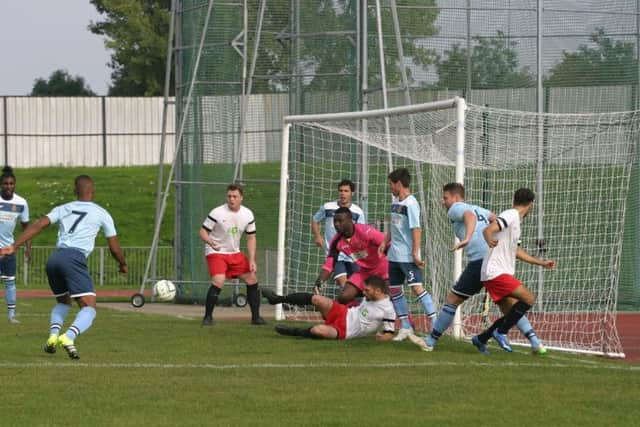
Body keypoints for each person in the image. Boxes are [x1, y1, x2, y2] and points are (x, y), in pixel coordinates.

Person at [408, 183, 546, 354]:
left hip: (482, 262)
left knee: (452, 300)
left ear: (456, 197)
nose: (444, 202)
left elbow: (469, 216)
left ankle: (430, 341)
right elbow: (495, 220)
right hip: (495, 262)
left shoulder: (456, 208)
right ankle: (535, 342)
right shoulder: (481, 209)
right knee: (509, 305)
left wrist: (467, 237)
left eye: (446, 198)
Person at [0, 175, 127, 359]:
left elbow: (39, 224)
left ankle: (52, 337)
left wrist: (15, 246)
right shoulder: (101, 213)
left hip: (54, 259)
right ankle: (68, 337)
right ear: (93, 191)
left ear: (75, 191)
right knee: (89, 306)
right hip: (74, 258)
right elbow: (114, 248)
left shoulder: (64, 208)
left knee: (63, 301)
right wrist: (122, 264)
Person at [470, 188, 556, 354]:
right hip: (495, 272)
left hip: (494, 273)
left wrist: (541, 263)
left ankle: (481, 339)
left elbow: (516, 251)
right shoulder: (511, 215)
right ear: (531, 204)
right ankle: (500, 332)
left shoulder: (515, 221)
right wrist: (488, 238)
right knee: (529, 298)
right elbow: (488, 230)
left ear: (514, 200)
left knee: (511, 312)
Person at [379, 168, 436, 342]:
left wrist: (415, 253)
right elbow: (394, 226)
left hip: (407, 257)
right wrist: (384, 241)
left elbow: (416, 229)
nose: (389, 187)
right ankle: (405, 326)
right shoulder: (396, 201)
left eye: (391, 184)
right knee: (395, 289)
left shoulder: (411, 204)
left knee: (416, 288)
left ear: (398, 184)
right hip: (394, 256)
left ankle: (435, 324)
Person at [199, 183, 265, 326]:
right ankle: (207, 317)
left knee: (252, 279)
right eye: (229, 196)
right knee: (219, 280)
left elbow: (251, 237)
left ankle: (256, 318)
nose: (231, 199)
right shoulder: (217, 212)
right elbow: (203, 232)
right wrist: (210, 242)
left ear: (241, 197)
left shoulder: (248, 214)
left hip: (234, 253)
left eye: (235, 196)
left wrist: (252, 260)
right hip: (216, 252)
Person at [262, 275, 395, 341]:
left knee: (318, 330)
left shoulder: (388, 310)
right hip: (343, 312)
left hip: (346, 331)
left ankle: (292, 331)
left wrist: (382, 337)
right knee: (317, 299)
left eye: (367, 290)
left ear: (378, 291)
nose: (363, 293)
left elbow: (389, 333)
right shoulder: (371, 296)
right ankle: (277, 299)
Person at [312, 207, 388, 305]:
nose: (336, 224)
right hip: (365, 272)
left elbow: (388, 244)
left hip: (383, 268)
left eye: (340, 221)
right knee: (344, 297)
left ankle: (402, 319)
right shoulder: (336, 241)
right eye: (335, 221)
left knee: (389, 297)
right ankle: (351, 316)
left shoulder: (366, 232)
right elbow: (330, 264)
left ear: (350, 220)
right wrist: (320, 281)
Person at [311, 179, 365, 288]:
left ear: (352, 193)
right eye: (341, 190)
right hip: (334, 255)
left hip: (351, 255)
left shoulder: (358, 212)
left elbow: (361, 233)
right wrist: (317, 236)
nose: (343, 193)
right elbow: (315, 220)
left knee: (355, 285)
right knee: (343, 283)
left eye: (346, 191)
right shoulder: (328, 207)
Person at [0, 166, 31, 323]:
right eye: (5, 183)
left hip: (8, 250)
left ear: (15, 185)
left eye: (11, 183)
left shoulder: (21, 203)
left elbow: (27, 228)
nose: (8, 186)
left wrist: (28, 248)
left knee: (10, 282)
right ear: (1, 184)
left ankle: (11, 316)